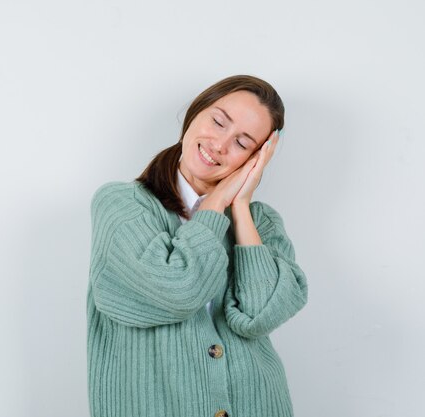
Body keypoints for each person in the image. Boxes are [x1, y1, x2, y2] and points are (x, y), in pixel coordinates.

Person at [86, 74, 309, 417]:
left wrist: (239, 209)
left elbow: (261, 315)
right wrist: (216, 202)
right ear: (196, 112)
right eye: (218, 121)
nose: (220, 145)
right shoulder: (121, 205)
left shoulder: (260, 222)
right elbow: (177, 290)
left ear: (256, 159)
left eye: (242, 143)